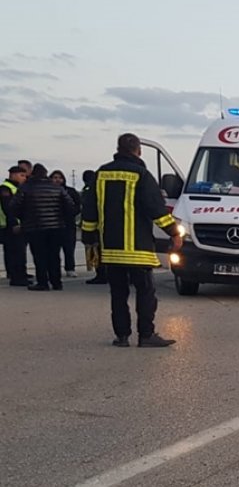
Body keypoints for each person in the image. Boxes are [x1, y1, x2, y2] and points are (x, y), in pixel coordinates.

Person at [80, 133, 184, 347]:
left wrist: (89, 240)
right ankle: (146, 335)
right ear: (138, 150)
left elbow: (89, 212)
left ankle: (122, 336)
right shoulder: (142, 175)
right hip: (139, 249)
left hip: (110, 249)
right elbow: (157, 210)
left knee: (118, 294)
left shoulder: (101, 174)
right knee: (145, 293)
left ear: (118, 149)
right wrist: (174, 232)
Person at [8, 163, 75, 291]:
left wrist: (24, 217)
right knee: (54, 255)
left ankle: (43, 282)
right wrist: (61, 218)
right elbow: (70, 206)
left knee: (40, 256)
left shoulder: (26, 188)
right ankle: (57, 282)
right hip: (56, 227)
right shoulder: (57, 188)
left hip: (35, 227)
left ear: (33, 174)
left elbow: (14, 206)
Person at [50, 170, 81, 277]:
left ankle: (70, 268)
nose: (57, 179)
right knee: (53, 250)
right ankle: (54, 270)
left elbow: (78, 205)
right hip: (53, 224)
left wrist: (71, 213)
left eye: (59, 177)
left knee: (69, 248)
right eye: (55, 177)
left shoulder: (71, 191)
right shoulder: (48, 191)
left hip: (68, 224)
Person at [0, 165, 28, 286]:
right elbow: (8, 208)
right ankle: (17, 277)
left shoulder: (17, 188)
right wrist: (15, 223)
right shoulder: (5, 189)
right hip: (9, 225)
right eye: (21, 175)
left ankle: (20, 274)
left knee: (19, 252)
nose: (24, 178)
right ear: (13, 175)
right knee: (15, 252)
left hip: (15, 224)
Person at [80, 170, 106, 284]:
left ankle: (100, 274)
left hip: (92, 226)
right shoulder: (101, 188)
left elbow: (87, 209)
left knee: (95, 251)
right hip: (103, 225)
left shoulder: (88, 190)